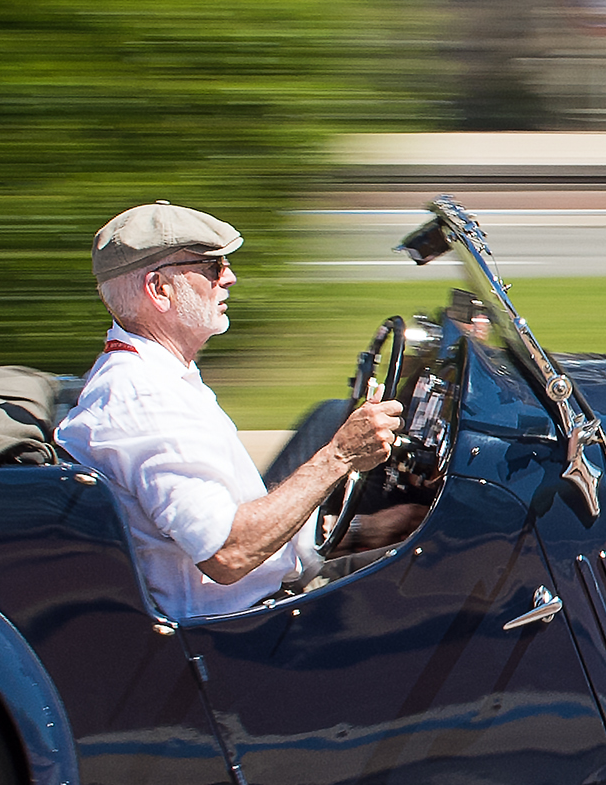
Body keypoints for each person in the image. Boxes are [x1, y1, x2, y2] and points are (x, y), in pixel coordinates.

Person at [57, 201, 423, 623]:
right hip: (244, 626)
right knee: (457, 577)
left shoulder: (154, 374)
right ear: (159, 289)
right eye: (211, 267)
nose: (229, 277)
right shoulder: (143, 399)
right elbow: (227, 554)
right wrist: (338, 456)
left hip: (262, 598)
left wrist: (361, 532)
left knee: (332, 415)